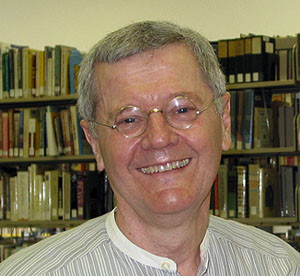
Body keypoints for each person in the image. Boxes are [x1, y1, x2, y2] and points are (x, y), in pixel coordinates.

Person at [0, 21, 300, 276]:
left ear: (223, 120)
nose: (159, 138)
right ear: (94, 142)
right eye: (129, 119)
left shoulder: (281, 266)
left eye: (182, 109)